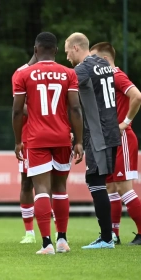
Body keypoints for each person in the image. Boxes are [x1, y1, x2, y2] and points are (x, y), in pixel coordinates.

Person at [13, 32, 84, 255]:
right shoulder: (69, 73)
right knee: (61, 189)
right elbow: (75, 109)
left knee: (41, 189)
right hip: (62, 137)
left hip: (36, 138)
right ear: (55, 51)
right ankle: (62, 239)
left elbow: (16, 111)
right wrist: (79, 141)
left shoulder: (24, 74)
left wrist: (17, 142)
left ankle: (46, 244)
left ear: (35, 50)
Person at [65, 32, 121, 249]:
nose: (67, 56)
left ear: (77, 48)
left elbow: (68, 94)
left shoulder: (83, 69)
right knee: (101, 182)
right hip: (111, 130)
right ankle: (108, 236)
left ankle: (107, 238)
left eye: (68, 50)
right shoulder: (104, 63)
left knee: (95, 182)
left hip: (99, 134)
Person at [90, 42, 141, 245]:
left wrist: (125, 123)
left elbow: (137, 96)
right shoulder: (106, 79)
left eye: (94, 59)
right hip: (111, 140)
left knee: (123, 188)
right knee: (110, 187)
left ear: (104, 60)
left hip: (123, 139)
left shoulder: (116, 75)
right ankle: (113, 234)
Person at [12, 55, 37, 244]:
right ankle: (29, 232)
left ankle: (59, 232)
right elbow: (20, 107)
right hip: (30, 136)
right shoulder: (20, 74)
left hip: (55, 134)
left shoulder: (59, 72)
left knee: (54, 184)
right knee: (27, 182)